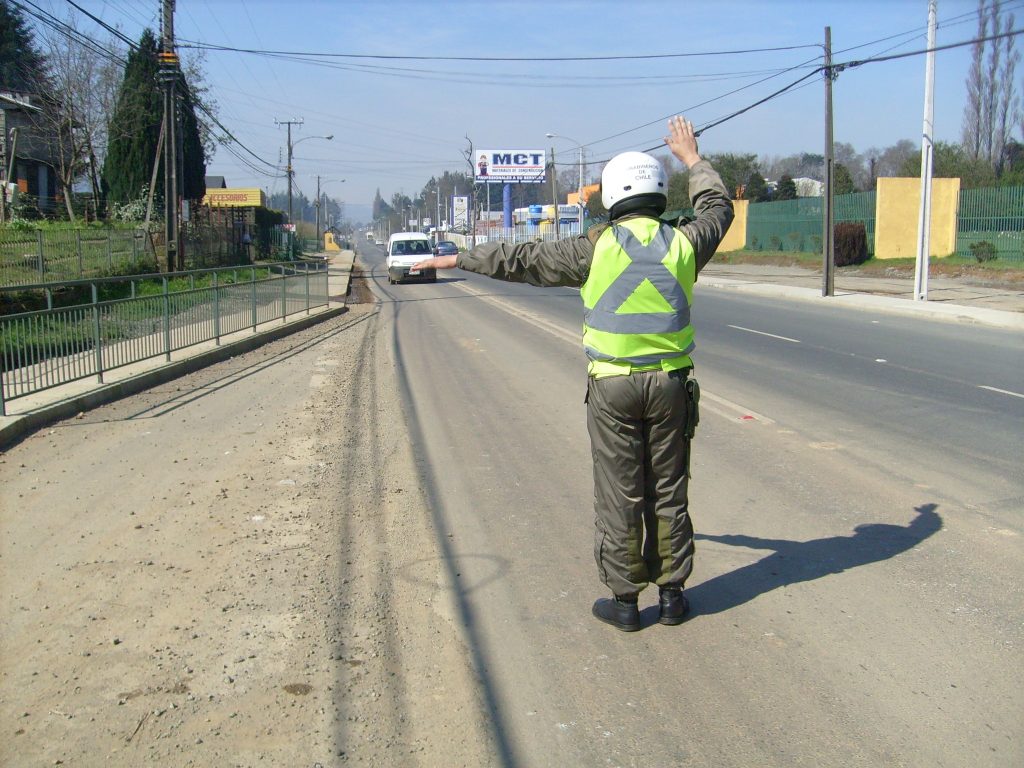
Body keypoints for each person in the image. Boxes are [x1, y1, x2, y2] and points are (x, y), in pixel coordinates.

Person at [413, 116, 733, 631]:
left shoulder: (592, 248)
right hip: (671, 386)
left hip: (613, 389)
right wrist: (692, 159)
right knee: (668, 488)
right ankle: (673, 596)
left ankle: (626, 604)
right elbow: (718, 208)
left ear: (611, 195)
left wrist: (461, 260)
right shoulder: (684, 244)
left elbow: (521, 259)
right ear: (656, 193)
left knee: (620, 493)